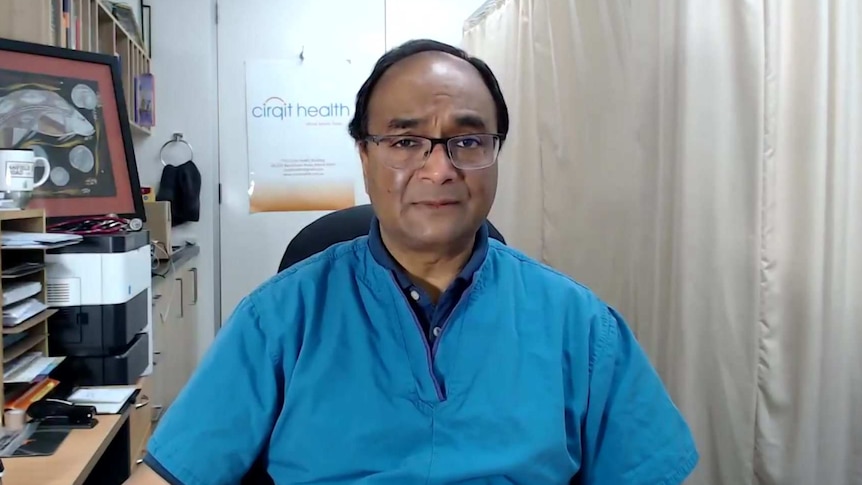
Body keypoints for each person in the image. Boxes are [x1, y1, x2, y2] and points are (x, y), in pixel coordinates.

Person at [127, 39, 698, 485]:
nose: (439, 169)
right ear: (364, 155)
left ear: (495, 154)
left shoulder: (581, 327)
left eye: (467, 142)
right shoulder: (277, 321)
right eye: (405, 142)